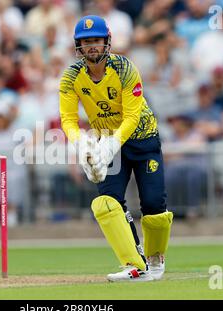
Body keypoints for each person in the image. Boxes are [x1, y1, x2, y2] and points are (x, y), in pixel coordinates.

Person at [59, 15, 173, 282]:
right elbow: (68, 119)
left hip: (142, 140)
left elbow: (132, 117)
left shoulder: (124, 69)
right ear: (79, 46)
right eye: (86, 42)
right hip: (107, 142)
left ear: (107, 42)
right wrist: (81, 143)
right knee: (107, 203)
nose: (92, 47)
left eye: (96, 41)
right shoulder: (71, 76)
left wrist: (111, 143)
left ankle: (156, 256)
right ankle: (134, 263)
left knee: (154, 204)